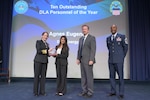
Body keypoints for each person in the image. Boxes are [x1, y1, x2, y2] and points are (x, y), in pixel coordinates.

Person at [106, 24, 128, 99]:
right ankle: (113, 91)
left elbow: (125, 47)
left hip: (119, 61)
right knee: (112, 77)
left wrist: (122, 57)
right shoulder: (108, 38)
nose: (113, 29)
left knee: (120, 77)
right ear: (110, 29)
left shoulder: (122, 37)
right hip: (111, 60)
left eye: (114, 28)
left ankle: (121, 93)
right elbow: (109, 48)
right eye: (112, 28)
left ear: (116, 28)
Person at [76, 25, 96, 98]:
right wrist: (78, 58)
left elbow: (93, 50)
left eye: (85, 29)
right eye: (83, 29)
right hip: (82, 60)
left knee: (89, 77)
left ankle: (90, 92)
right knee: (83, 76)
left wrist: (91, 59)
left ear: (88, 30)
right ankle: (84, 91)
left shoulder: (92, 38)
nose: (84, 30)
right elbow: (79, 49)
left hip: (88, 61)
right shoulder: (81, 39)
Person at [33, 32, 51, 96]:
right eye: (45, 35)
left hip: (45, 62)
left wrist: (51, 54)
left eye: (47, 36)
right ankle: (35, 92)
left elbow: (47, 54)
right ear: (42, 36)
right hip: (38, 61)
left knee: (43, 77)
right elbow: (39, 51)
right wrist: (47, 51)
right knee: (37, 76)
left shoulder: (47, 44)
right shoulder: (38, 42)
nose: (46, 37)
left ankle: (42, 91)